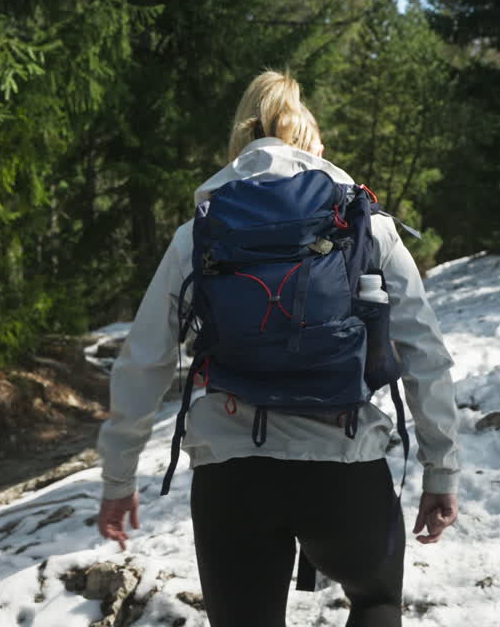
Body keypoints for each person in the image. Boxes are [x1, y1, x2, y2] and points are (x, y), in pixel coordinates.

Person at [95, 70, 460, 627]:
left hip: (232, 474)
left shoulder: (200, 231)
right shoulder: (364, 222)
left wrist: (119, 480)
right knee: (376, 601)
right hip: (343, 464)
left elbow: (145, 359)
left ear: (239, 145)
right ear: (313, 144)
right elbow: (424, 355)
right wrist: (441, 471)